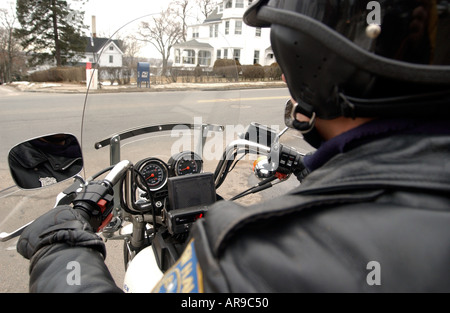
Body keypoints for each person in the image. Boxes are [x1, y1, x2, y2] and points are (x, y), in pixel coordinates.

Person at [17, 0, 450, 292]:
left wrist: (60, 245)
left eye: (285, 61)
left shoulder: (252, 259)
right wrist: (307, 168)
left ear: (313, 66)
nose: (283, 76)